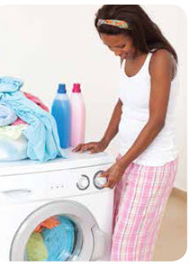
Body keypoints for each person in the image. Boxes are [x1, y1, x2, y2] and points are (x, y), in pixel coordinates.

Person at [73, 5, 179, 261]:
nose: (117, 53)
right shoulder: (125, 58)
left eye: (120, 46)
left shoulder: (160, 59)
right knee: (114, 231)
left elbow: (156, 121)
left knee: (128, 243)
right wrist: (104, 141)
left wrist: (122, 164)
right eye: (110, 48)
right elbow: (123, 103)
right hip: (128, 158)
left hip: (152, 164)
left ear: (137, 33)